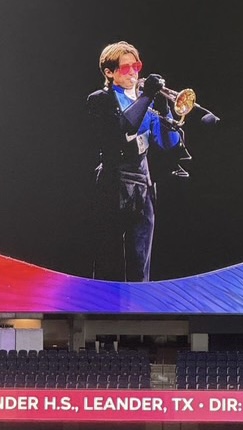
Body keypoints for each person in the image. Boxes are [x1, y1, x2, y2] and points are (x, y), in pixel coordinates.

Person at [86, 41, 181, 282]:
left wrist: (165, 109)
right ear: (110, 72)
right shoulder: (100, 99)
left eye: (136, 66)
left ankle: (139, 312)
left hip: (143, 185)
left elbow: (168, 144)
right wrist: (148, 96)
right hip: (113, 184)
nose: (134, 73)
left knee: (141, 260)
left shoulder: (146, 102)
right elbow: (122, 129)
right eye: (126, 68)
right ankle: (105, 315)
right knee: (110, 260)